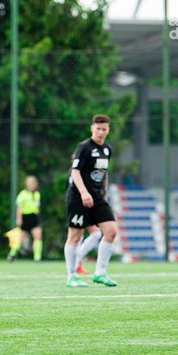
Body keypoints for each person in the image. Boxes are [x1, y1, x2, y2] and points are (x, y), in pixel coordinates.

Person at [64, 114, 118, 288]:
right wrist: (83, 193)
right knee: (75, 236)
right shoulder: (84, 147)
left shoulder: (107, 149)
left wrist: (104, 193)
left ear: (108, 130)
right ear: (92, 128)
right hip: (78, 196)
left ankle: (100, 273)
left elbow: (104, 174)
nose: (101, 132)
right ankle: (71, 276)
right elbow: (75, 172)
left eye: (104, 129)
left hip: (98, 197)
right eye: (98, 129)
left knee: (111, 231)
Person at [6, 175, 42, 262]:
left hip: (34, 217)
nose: (31, 185)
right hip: (25, 218)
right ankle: (12, 254)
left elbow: (37, 206)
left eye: (33, 183)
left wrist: (38, 212)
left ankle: (37, 258)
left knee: (38, 237)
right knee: (20, 239)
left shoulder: (37, 194)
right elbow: (19, 207)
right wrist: (19, 219)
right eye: (29, 183)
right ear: (26, 184)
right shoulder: (23, 194)